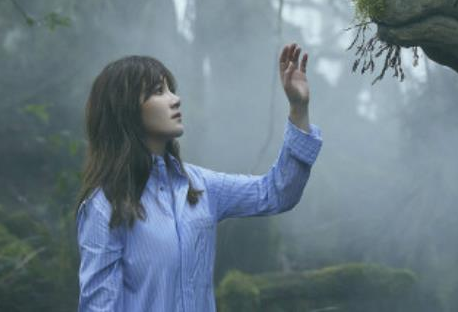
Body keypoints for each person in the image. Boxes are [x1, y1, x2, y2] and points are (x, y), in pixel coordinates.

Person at [75, 43, 321, 311]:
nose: (175, 99)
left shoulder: (201, 186)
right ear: (126, 109)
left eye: (171, 89)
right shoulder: (104, 205)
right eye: (158, 91)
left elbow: (276, 193)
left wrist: (298, 108)